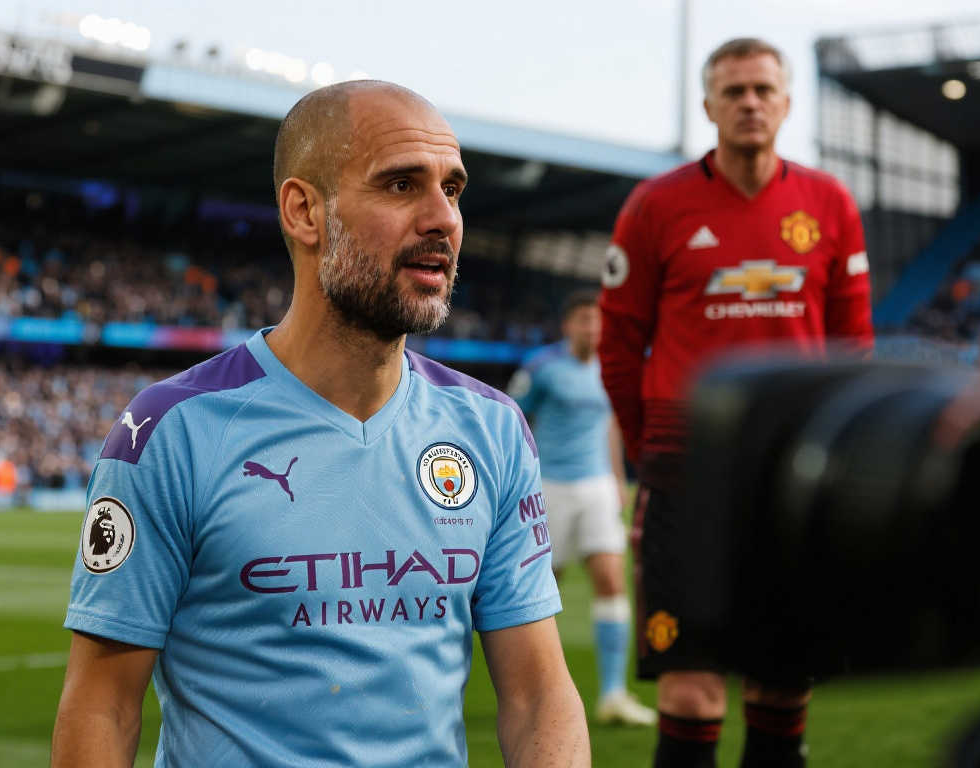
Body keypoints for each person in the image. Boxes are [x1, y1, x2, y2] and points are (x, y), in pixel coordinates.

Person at [51, 80, 590, 768]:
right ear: (305, 211)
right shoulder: (170, 430)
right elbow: (103, 705)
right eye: (401, 185)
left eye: (452, 190)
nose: (443, 219)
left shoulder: (493, 429)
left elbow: (538, 696)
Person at [598, 38, 874, 768]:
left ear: (785, 103)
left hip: (793, 473)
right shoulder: (655, 205)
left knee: (783, 683)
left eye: (762, 89)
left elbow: (853, 348)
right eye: (733, 91)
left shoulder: (830, 203)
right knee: (692, 690)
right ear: (709, 106)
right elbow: (619, 347)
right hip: (688, 470)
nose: (749, 103)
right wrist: (651, 455)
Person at [508, 289, 656, 727]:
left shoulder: (612, 366)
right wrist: (518, 482)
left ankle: (613, 694)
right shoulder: (542, 367)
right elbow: (511, 420)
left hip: (596, 487)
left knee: (611, 578)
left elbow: (609, 425)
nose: (593, 328)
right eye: (584, 320)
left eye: (598, 321)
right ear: (568, 325)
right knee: (542, 588)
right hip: (548, 486)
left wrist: (617, 479)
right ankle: (537, 693)